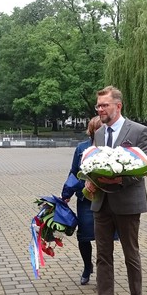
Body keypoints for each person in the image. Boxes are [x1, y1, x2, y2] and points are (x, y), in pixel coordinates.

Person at [81, 86, 147, 295]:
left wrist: (121, 179)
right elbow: (94, 162)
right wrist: (91, 179)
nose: (100, 109)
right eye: (98, 106)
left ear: (118, 106)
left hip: (127, 202)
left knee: (130, 254)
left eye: (105, 105)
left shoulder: (139, 131)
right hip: (101, 203)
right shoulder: (99, 133)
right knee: (103, 256)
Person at [61, 116, 103, 285]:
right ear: (91, 130)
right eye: (96, 129)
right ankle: (87, 266)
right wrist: (66, 193)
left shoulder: (110, 148)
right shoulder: (81, 148)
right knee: (84, 236)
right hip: (85, 199)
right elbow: (73, 171)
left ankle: (103, 272)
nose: (99, 132)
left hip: (104, 199)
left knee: (103, 238)